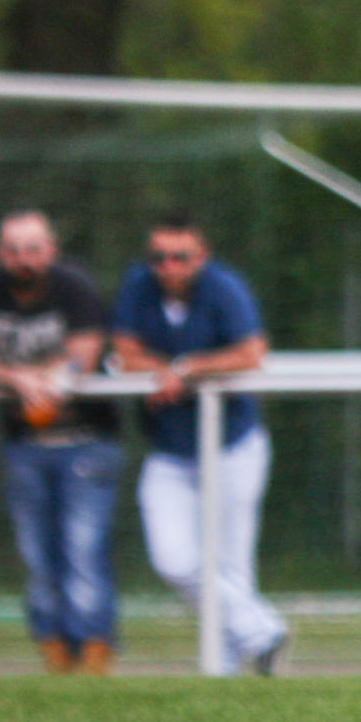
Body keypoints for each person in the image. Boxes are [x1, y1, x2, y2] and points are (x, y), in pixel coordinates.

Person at [111, 213, 288, 674]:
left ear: (201, 256)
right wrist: (163, 371)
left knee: (231, 563)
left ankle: (224, 673)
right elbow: (124, 352)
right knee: (172, 559)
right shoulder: (138, 286)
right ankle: (262, 631)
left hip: (231, 445)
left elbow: (251, 353)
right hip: (169, 451)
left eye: (180, 257)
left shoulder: (224, 288)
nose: (168, 266)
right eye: (158, 257)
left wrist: (187, 369)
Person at [0, 211, 123, 674]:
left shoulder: (75, 288)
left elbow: (84, 354)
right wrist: (18, 378)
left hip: (87, 441)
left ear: (52, 250)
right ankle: (54, 649)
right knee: (37, 555)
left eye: (32, 249)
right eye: (13, 250)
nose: (23, 259)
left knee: (84, 548)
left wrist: (47, 381)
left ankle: (95, 648)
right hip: (25, 445)